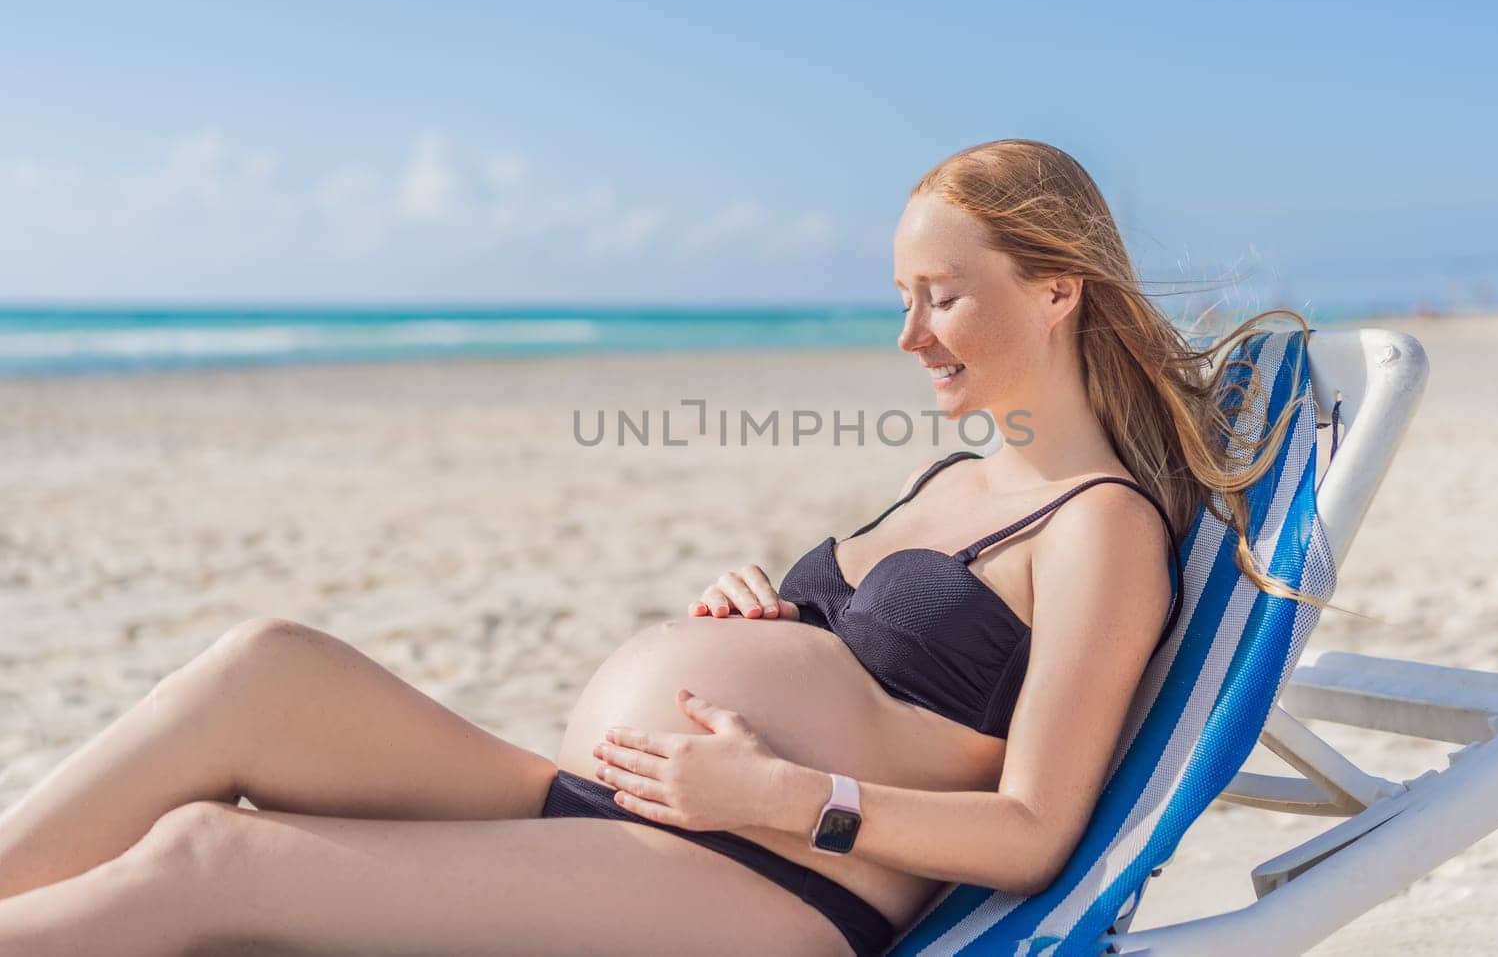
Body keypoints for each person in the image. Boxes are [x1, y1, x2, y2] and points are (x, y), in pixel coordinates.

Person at [0, 139, 1310, 956]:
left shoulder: (1100, 530)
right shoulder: (967, 473)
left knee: (211, 858)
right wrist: (774, 621)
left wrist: (788, 796)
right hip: (642, 819)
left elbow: (1034, 832)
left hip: (765, 885)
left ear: (1057, 287)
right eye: (901, 298)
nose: (909, 334)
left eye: (942, 295)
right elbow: (878, 681)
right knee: (262, 669)